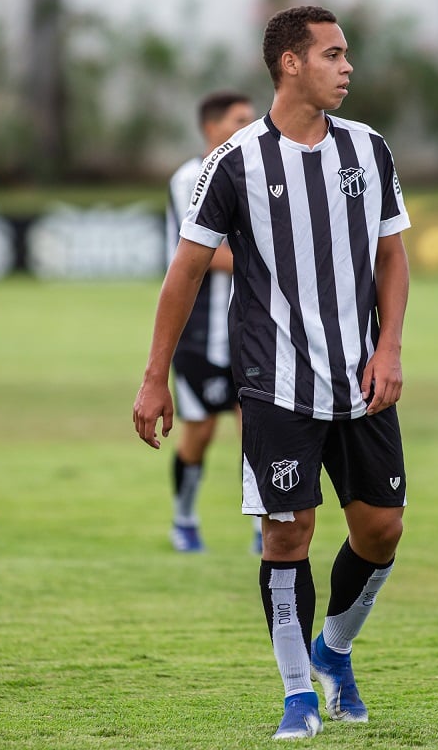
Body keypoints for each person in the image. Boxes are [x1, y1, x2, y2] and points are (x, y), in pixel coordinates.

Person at [134, 6, 410, 740]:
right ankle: (297, 695)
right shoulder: (236, 162)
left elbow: (392, 256)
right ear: (290, 63)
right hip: (276, 383)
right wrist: (154, 375)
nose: (347, 66)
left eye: (347, 54)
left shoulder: (368, 150)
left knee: (382, 530)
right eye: (332, 54)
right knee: (286, 537)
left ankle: (334, 649)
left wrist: (390, 349)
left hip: (361, 382)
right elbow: (185, 272)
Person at [164, 91, 261, 554]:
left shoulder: (257, 169)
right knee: (199, 431)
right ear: (211, 127)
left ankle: (265, 528)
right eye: (241, 119)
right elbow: (207, 257)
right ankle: (183, 518)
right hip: (199, 333)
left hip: (248, 333)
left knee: (257, 429)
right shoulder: (190, 178)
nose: (250, 124)